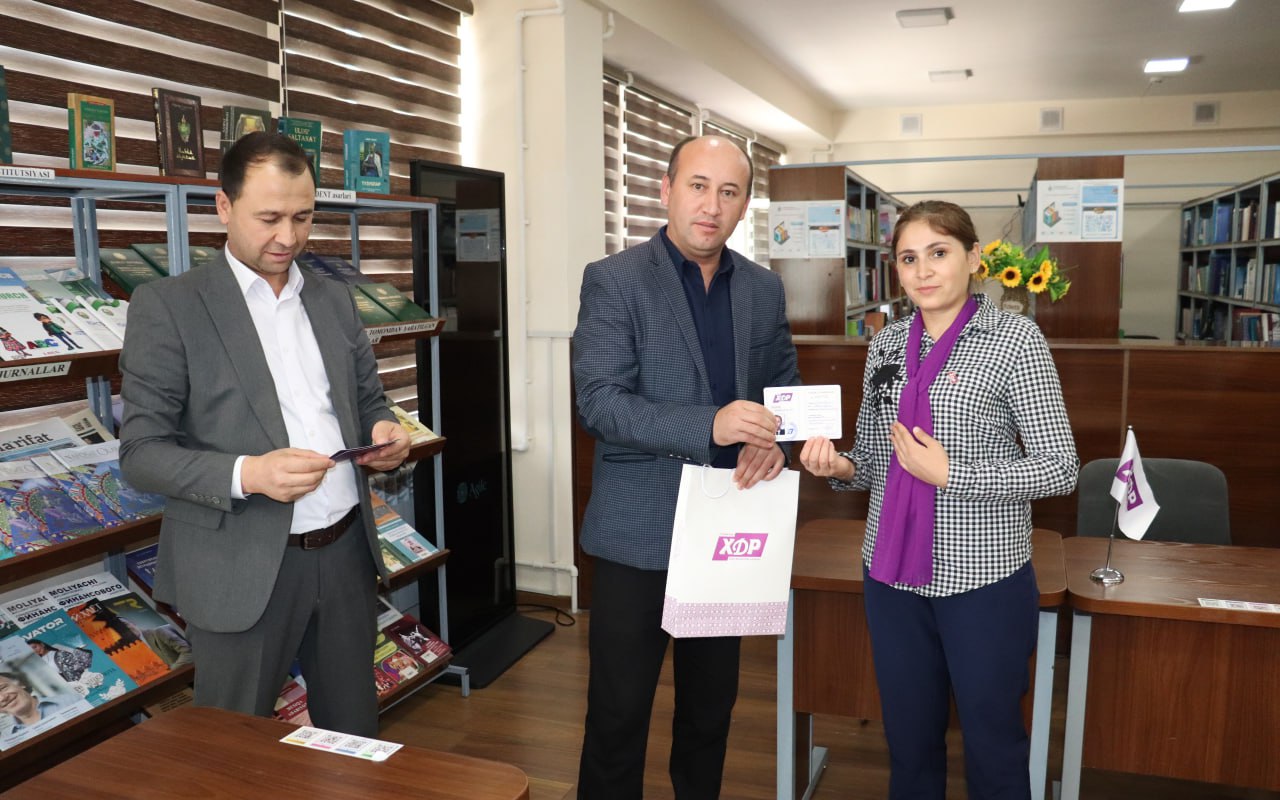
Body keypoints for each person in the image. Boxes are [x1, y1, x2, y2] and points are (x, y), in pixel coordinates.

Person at [118, 132, 410, 737]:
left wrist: (383, 430)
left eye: (303, 217)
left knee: (353, 739)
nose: (288, 237)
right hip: (238, 564)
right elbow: (141, 453)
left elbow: (366, 401)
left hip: (345, 554)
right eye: (269, 218)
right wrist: (249, 474)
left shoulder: (333, 299)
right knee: (232, 750)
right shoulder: (170, 306)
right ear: (224, 207)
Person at [799, 200, 1078, 800]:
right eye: (908, 258)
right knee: (909, 742)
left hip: (981, 578)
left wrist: (953, 474)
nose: (923, 270)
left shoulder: (1015, 340)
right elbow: (872, 458)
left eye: (938, 252)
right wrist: (839, 466)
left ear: (974, 259)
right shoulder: (885, 345)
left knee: (993, 743)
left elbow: (1060, 467)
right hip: (890, 575)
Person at [573, 134, 800, 799]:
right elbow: (599, 402)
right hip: (636, 532)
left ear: (745, 204)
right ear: (667, 189)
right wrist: (711, 425)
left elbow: (782, 389)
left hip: (726, 531)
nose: (711, 205)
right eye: (698, 186)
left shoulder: (762, 289)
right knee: (618, 716)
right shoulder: (614, 279)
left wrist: (775, 439)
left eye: (729, 192)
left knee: (710, 711)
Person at [0, 670, 84, 744]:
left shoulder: (71, 700)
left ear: (20, 684)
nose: (2, 698)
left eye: (2, 688)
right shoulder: (5, 738)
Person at [26, 639, 92, 683]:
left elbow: (79, 662)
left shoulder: (58, 651)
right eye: (31, 650)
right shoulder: (39, 662)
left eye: (35, 647)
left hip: (78, 680)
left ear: (42, 644)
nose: (35, 650)